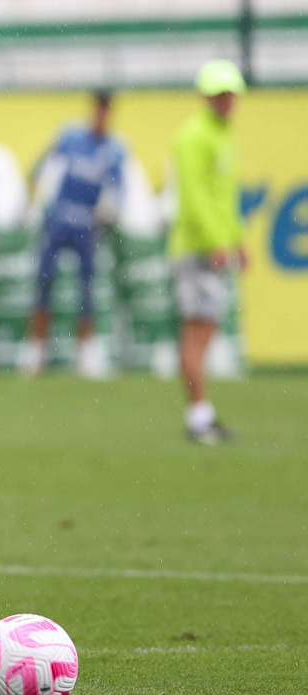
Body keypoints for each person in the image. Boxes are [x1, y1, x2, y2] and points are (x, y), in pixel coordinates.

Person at [18, 90, 126, 379]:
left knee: (86, 288)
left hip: (88, 226)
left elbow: (118, 191)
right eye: (99, 109)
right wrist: (30, 201)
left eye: (106, 110)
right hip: (58, 220)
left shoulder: (114, 150)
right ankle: (35, 351)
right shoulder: (70, 137)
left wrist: (110, 212)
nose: (101, 116)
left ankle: (85, 353)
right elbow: (41, 168)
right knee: (44, 280)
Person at [170, 59, 247, 445]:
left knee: (205, 329)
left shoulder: (222, 135)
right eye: (219, 94)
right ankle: (198, 416)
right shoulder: (193, 136)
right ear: (206, 96)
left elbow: (225, 198)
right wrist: (217, 240)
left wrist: (237, 240)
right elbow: (194, 196)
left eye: (230, 93)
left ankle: (201, 412)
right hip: (196, 249)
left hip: (213, 247)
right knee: (196, 333)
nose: (226, 100)